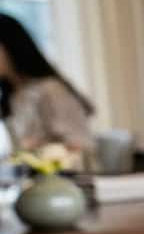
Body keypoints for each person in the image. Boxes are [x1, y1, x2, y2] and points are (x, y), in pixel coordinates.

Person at [0, 13, 93, 162]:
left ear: (11, 46)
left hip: (62, 180)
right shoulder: (12, 94)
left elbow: (83, 145)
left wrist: (39, 150)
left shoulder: (49, 90)